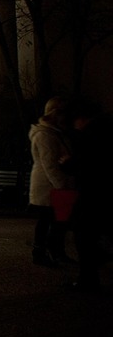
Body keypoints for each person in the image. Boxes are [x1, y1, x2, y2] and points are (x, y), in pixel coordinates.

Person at [64, 99, 109, 292]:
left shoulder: (89, 136)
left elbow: (85, 164)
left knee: (84, 235)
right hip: (103, 191)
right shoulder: (106, 130)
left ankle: (88, 279)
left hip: (92, 192)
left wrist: (67, 163)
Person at [29, 96, 74, 267]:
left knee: (51, 221)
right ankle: (47, 252)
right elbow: (50, 165)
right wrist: (62, 185)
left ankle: (48, 252)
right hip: (49, 187)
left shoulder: (50, 133)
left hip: (50, 186)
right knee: (51, 221)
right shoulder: (45, 135)